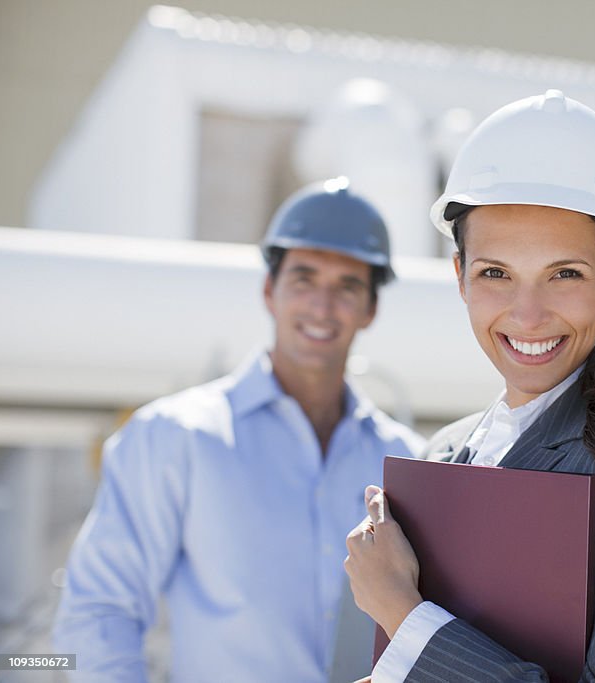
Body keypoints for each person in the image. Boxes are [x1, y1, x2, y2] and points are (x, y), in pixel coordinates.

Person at [344, 90, 595, 682]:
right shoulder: (444, 454)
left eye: (564, 273)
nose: (528, 315)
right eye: (496, 273)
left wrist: (403, 616)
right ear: (459, 276)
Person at [53, 179, 424, 682]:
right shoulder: (174, 437)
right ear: (269, 291)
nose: (322, 305)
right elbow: (99, 611)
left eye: (348, 286)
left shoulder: (405, 460)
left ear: (371, 309)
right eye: (304, 280)